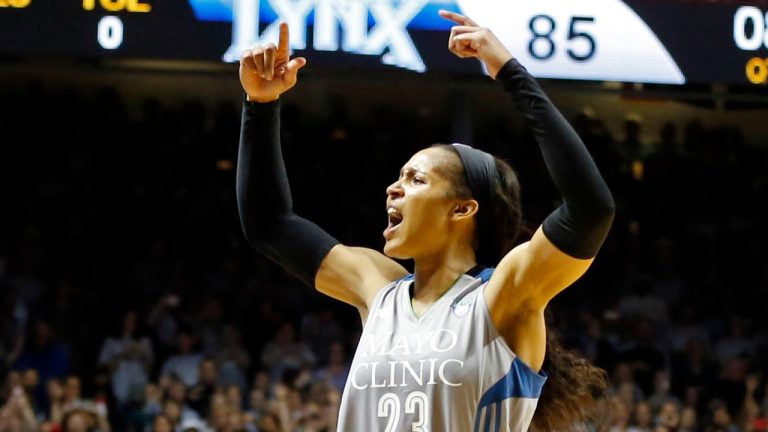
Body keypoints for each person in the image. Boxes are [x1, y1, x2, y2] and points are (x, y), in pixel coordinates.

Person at [236, 10, 615, 432]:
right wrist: (261, 105)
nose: (392, 190)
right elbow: (268, 224)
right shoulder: (378, 289)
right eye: (398, 177)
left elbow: (590, 209)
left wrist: (509, 71)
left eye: (416, 179)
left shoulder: (502, 297)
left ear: (462, 208)